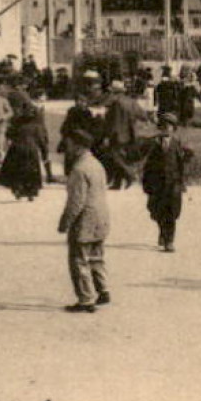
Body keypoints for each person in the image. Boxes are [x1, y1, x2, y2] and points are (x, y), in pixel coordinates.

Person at [58, 127, 111, 313]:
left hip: (85, 220)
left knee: (78, 259)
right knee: (97, 256)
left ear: (78, 146)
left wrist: (65, 223)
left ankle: (86, 299)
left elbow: (76, 202)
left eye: (70, 145)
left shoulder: (79, 169)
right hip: (101, 216)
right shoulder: (97, 164)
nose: (68, 148)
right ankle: (103, 290)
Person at [140, 113, 193, 252]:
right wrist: (146, 182)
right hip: (157, 184)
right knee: (156, 211)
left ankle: (169, 240)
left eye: (170, 126)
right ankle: (162, 231)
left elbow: (182, 164)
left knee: (171, 212)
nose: (166, 129)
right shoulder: (154, 144)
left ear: (173, 129)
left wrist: (182, 181)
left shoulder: (177, 144)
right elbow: (148, 165)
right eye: (164, 126)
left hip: (172, 184)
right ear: (160, 127)